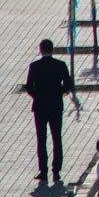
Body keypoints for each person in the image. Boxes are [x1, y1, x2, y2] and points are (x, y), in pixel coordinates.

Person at [25, 38, 73, 183]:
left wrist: (37, 96)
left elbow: (28, 86)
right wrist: (60, 94)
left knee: (41, 138)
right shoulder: (60, 65)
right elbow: (68, 84)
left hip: (40, 106)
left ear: (40, 49)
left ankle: (43, 170)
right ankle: (56, 169)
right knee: (56, 138)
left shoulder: (34, 66)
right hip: (56, 105)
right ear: (52, 49)